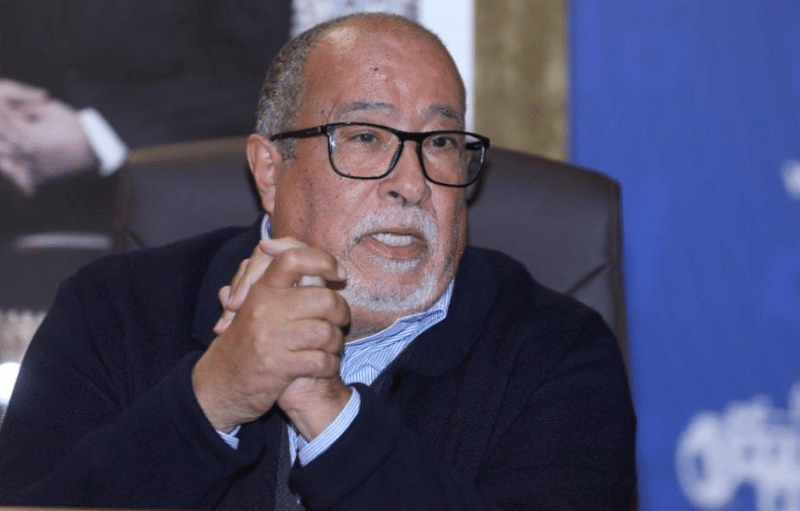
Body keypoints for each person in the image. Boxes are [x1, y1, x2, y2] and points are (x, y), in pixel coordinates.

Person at [0, 13, 636, 510]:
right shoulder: (112, 310)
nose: (411, 183)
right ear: (269, 170)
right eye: (365, 137)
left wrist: (329, 413)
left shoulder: (557, 350)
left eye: (440, 141)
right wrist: (214, 397)